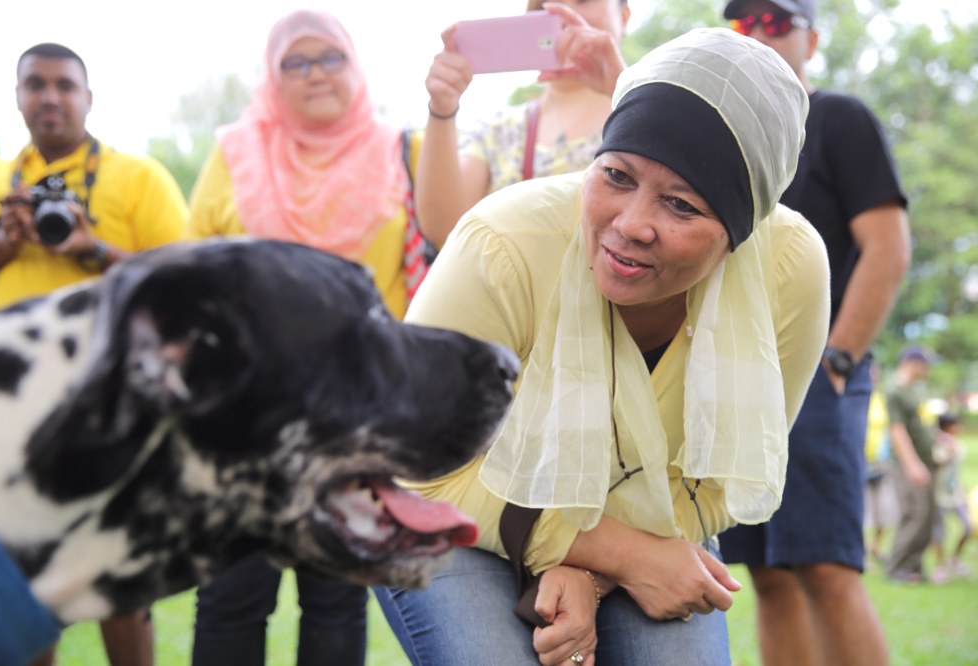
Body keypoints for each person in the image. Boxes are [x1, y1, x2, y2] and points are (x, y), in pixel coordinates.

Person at [375, 27, 828, 665]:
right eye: (616, 175)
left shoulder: (789, 269)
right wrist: (614, 553)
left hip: (656, 520)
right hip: (451, 510)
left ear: (741, 229)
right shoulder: (501, 246)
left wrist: (591, 575)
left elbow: (723, 479)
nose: (631, 224)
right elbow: (416, 468)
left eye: (681, 205)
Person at [186, 9, 423, 665]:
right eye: (296, 61)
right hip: (244, 418)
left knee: (335, 598)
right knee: (230, 597)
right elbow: (193, 276)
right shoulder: (235, 153)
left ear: (355, 66)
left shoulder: (402, 150)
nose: (315, 73)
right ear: (272, 75)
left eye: (330, 57)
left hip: (355, 415)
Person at [0, 42, 189, 666]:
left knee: (118, 577)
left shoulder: (138, 177)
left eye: (64, 85)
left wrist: (92, 249)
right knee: (15, 582)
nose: (50, 97)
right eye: (35, 84)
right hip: (0, 420)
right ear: (18, 97)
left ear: (88, 98)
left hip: (110, 407)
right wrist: (4, 240)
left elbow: (185, 287)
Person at [715, 1, 910, 664]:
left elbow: (887, 247)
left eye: (777, 21)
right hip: (741, 376)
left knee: (825, 564)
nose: (758, 32)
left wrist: (838, 358)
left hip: (820, 375)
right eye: (744, 23)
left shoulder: (837, 117)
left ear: (812, 38)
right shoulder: (729, 134)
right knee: (768, 571)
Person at [418, 0, 630, 248]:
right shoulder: (498, 129)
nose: (563, 15)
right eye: (545, 5)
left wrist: (625, 91)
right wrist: (441, 109)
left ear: (624, 16)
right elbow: (445, 229)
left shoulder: (648, 115)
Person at [885, 346, 939, 583]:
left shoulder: (913, 391)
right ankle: (897, 568)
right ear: (911, 363)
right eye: (925, 363)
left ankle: (914, 568)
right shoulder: (894, 391)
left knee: (926, 516)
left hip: (926, 462)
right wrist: (912, 464)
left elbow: (918, 427)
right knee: (914, 514)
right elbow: (897, 430)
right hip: (907, 464)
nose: (928, 368)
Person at [929, 412, 973, 583]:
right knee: (939, 532)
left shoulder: (957, 443)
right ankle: (940, 567)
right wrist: (949, 451)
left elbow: (955, 470)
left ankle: (955, 560)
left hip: (956, 494)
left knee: (968, 527)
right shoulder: (935, 443)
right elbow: (937, 463)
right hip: (939, 494)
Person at [863, 361, 897, 565]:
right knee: (863, 511)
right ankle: (864, 552)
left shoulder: (880, 399)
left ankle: (875, 546)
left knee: (884, 510)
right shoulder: (856, 397)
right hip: (861, 462)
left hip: (881, 462)